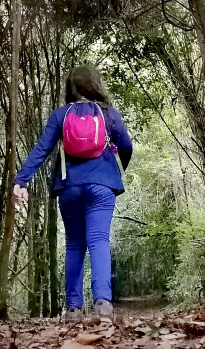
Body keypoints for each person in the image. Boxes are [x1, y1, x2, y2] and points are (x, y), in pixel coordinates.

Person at [13, 65, 132, 321]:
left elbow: (41, 149)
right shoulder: (108, 113)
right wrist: (116, 166)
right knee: (99, 239)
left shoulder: (61, 114)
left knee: (75, 245)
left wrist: (21, 180)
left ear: (71, 88)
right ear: (96, 84)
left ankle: (73, 308)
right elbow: (126, 146)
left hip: (69, 186)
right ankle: (102, 303)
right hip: (102, 185)